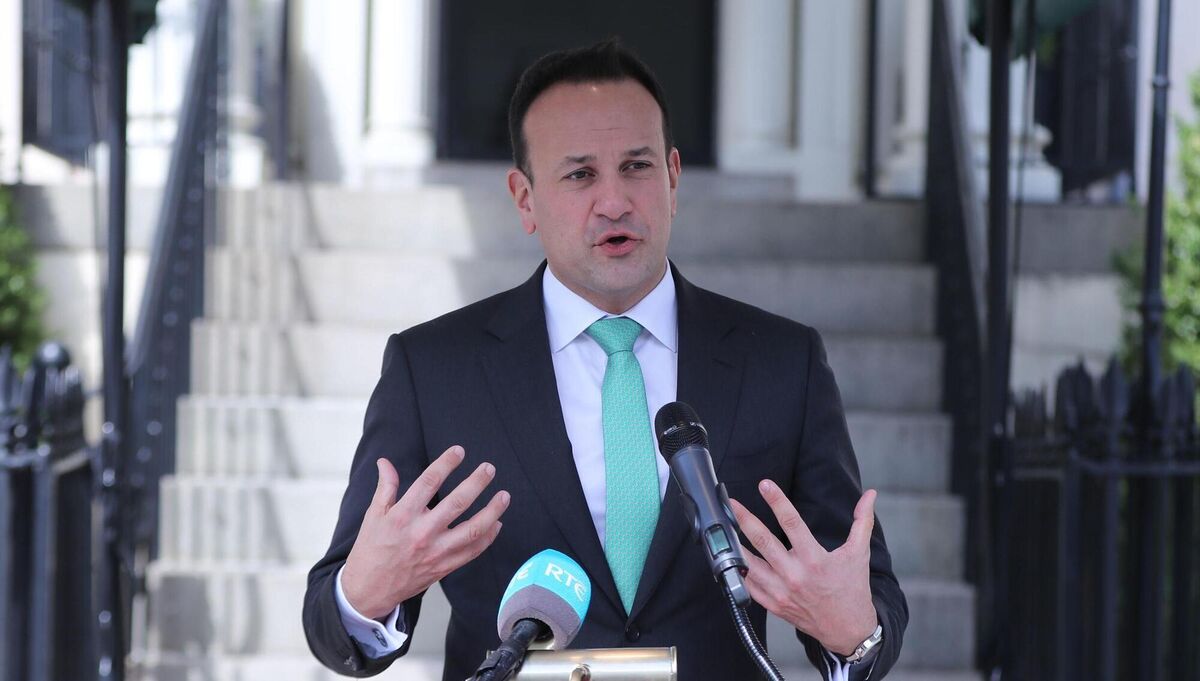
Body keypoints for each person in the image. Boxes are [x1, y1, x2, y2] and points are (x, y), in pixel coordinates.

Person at [302, 39, 908, 681]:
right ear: (525, 198)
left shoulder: (783, 363)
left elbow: (867, 613)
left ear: (674, 179)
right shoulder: (433, 370)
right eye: (580, 174)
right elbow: (331, 623)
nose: (614, 201)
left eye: (638, 167)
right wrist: (364, 597)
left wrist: (852, 632)